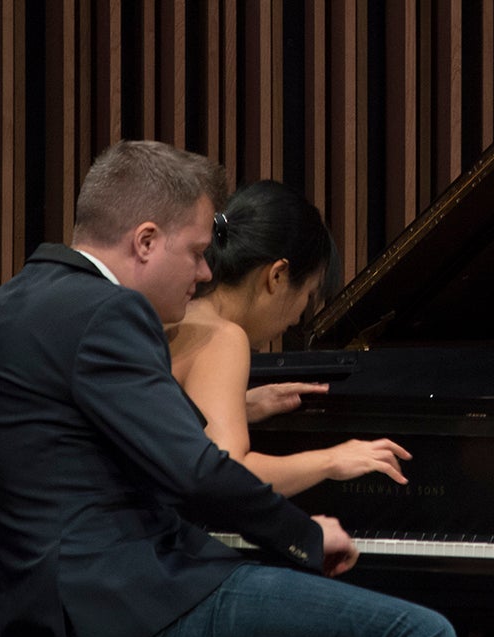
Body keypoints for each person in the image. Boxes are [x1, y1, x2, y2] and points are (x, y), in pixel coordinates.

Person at [0, 140, 488, 637]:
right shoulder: (107, 315)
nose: (205, 272)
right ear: (144, 242)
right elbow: (199, 473)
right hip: (120, 611)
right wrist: (303, 536)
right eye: (196, 251)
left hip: (26, 614)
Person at [167, 178, 411, 497]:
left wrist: (240, 405)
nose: (298, 317)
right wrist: (331, 459)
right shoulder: (225, 338)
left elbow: (171, 427)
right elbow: (227, 475)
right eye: (307, 296)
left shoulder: (180, 314)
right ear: (277, 275)